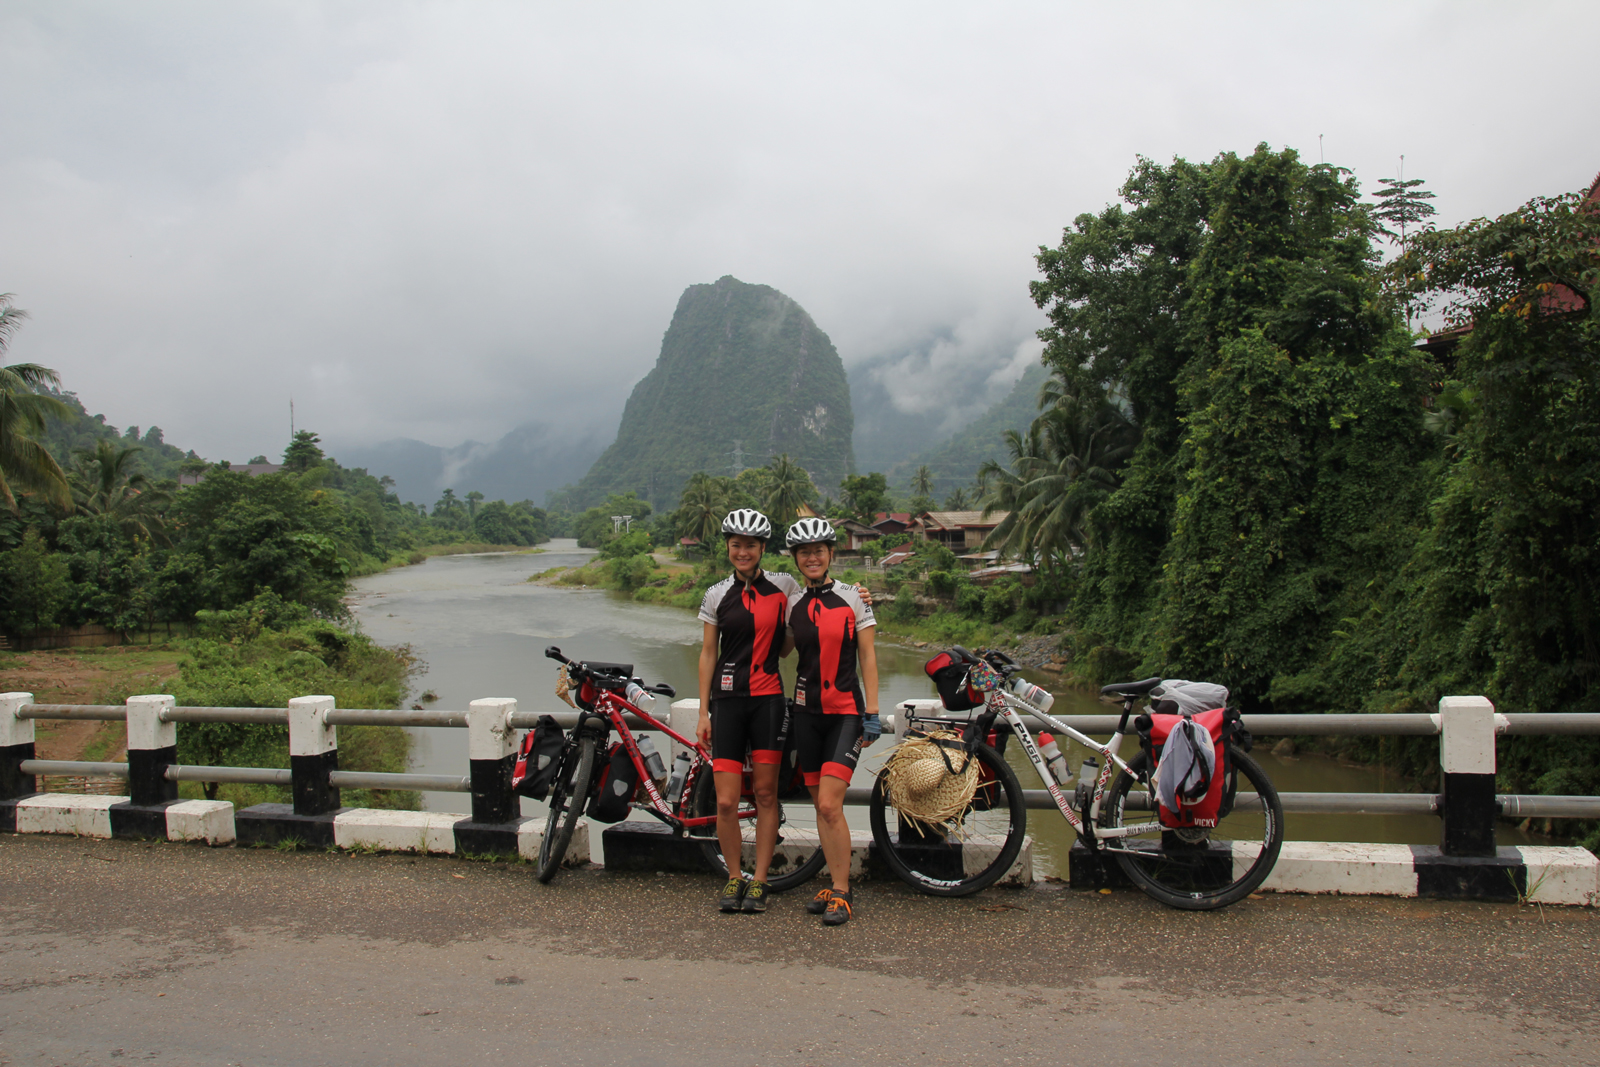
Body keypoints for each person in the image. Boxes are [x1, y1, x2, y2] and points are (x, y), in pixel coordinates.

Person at [696, 508, 800, 914]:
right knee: (725, 801)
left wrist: (860, 594)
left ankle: (759, 881)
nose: (743, 552)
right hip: (726, 704)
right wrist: (703, 711)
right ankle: (733, 877)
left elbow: (813, 603)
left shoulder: (784, 587)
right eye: (736, 545)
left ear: (762, 549)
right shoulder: (716, 594)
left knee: (764, 793)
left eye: (751, 546)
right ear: (727, 547)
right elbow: (708, 653)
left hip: (768, 701)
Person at [782, 516, 879, 926]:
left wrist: (871, 712)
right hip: (806, 714)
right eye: (805, 552)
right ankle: (834, 881)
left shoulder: (855, 598)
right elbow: (780, 651)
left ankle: (843, 889)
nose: (812, 557)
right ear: (796, 559)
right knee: (820, 808)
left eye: (819, 550)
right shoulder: (792, 603)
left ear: (832, 554)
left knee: (828, 802)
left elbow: (869, 658)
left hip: (845, 714)